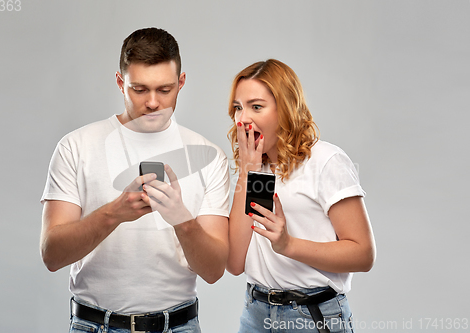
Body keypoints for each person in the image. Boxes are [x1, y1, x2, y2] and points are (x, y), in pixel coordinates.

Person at [40, 27, 230, 333]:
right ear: (120, 82)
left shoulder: (209, 156)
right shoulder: (77, 146)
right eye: (139, 89)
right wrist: (114, 213)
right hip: (95, 325)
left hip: (178, 326)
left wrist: (181, 219)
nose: (153, 102)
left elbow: (213, 270)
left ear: (181, 83)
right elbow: (51, 254)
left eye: (165, 90)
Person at [226, 59, 376, 333]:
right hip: (256, 315)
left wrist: (288, 244)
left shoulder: (325, 161)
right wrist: (247, 173)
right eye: (238, 107)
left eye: (256, 106)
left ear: (285, 108)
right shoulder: (258, 170)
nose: (242, 119)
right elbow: (235, 262)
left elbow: (363, 254)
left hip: (312, 316)